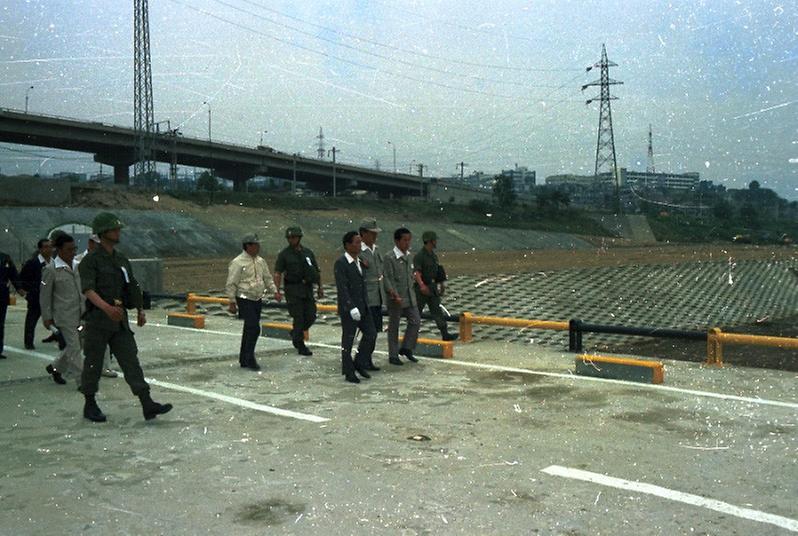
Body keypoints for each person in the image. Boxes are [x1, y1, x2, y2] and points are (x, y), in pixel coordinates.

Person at [78, 212, 172, 422]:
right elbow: (88, 290)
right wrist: (106, 308)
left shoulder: (121, 259)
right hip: (98, 320)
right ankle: (89, 403)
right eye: (114, 229)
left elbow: (132, 286)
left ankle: (147, 404)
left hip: (119, 322)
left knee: (131, 361)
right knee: (93, 363)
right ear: (103, 232)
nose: (118, 232)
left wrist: (139, 309)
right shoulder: (90, 261)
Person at [226, 233, 280, 371]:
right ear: (248, 246)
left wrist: (274, 291)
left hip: (257, 297)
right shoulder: (238, 262)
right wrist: (231, 301)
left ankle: (244, 357)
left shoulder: (260, 261)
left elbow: (267, 278)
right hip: (244, 297)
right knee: (254, 328)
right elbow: (231, 283)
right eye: (255, 245)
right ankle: (249, 358)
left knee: (249, 328)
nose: (258, 247)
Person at [39, 233, 84, 386]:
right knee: (74, 348)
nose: (72, 252)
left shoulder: (77, 266)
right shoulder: (51, 270)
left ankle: (55, 367)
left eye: (74, 249)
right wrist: (47, 317)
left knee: (79, 344)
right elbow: (44, 296)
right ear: (59, 250)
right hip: (64, 315)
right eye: (69, 250)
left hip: (81, 313)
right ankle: (81, 382)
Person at [334, 231, 377, 384]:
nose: (359, 245)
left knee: (371, 334)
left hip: (363, 306)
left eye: (360, 242)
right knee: (348, 340)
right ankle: (348, 371)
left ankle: (358, 362)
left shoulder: (359, 261)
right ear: (347, 245)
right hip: (349, 308)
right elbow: (342, 288)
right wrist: (351, 306)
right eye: (356, 242)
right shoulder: (341, 263)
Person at [273, 227, 322, 356]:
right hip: (293, 289)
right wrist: (277, 290)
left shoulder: (308, 252)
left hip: (307, 289)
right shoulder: (284, 254)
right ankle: (300, 345)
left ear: (299, 238)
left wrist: (320, 287)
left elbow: (316, 270)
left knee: (311, 315)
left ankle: (296, 333)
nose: (291, 240)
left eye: (293, 237)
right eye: (289, 238)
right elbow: (278, 273)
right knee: (298, 317)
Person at [75, 233, 118, 378]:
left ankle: (105, 367)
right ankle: (69, 366)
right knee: (79, 340)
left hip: (100, 305)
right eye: (97, 244)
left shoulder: (106, 260)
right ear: (90, 243)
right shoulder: (78, 261)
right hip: (82, 305)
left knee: (103, 337)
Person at [382, 227, 420, 365]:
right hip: (395, 298)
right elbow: (387, 278)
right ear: (397, 241)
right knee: (394, 326)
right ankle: (393, 355)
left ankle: (407, 348)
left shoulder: (409, 256)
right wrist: (393, 293)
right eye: (405, 240)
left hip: (410, 296)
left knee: (415, 320)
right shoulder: (389, 257)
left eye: (409, 240)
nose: (408, 243)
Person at [414, 231, 458, 341]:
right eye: (434, 240)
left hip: (432, 287)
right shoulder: (420, 256)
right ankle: (412, 335)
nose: (436, 242)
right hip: (421, 289)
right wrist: (422, 286)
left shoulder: (433, 256)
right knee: (416, 313)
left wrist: (441, 285)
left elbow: (438, 271)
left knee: (437, 311)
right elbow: (417, 273)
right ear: (430, 241)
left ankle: (445, 333)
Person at [358, 218, 386, 367]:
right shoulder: (358, 252)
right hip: (367, 297)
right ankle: (362, 359)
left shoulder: (377, 250)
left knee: (375, 330)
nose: (375, 236)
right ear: (363, 234)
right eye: (371, 233)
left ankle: (367, 359)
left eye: (376, 233)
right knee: (369, 332)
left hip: (377, 296)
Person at [18, 238, 52, 349]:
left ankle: (62, 341)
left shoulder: (54, 263)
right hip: (35, 297)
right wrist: (27, 293)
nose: (49, 249)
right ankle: (28, 342)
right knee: (31, 321)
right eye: (46, 247)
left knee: (57, 321)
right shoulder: (32, 263)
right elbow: (22, 279)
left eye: (50, 246)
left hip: (51, 298)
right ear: (40, 249)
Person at [0, 249, 23, 360]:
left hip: (1, 295)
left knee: (0, 324)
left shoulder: (5, 258)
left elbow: (13, 274)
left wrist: (19, 288)